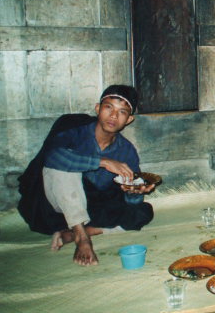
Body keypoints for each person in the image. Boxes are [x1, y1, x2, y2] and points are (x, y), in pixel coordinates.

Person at [17, 85, 155, 266]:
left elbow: (127, 197)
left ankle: (78, 232)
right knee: (65, 167)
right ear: (98, 108)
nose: (113, 116)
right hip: (55, 205)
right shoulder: (74, 128)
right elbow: (52, 157)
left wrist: (134, 193)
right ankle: (82, 238)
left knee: (142, 212)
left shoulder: (127, 151)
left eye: (122, 112)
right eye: (108, 107)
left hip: (91, 208)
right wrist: (103, 161)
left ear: (129, 120)